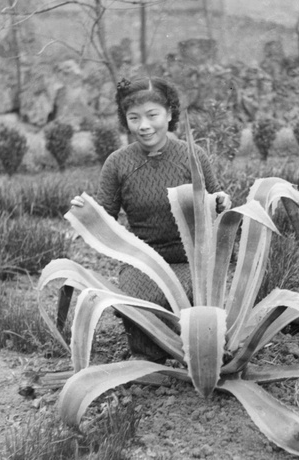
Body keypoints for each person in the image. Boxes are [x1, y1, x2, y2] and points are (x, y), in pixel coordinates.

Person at [69, 76, 228, 363]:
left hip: (190, 259)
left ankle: (199, 354)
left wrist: (222, 202)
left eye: (152, 115)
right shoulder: (117, 163)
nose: (143, 126)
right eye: (134, 118)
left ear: (169, 114)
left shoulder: (192, 156)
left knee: (191, 304)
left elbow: (216, 199)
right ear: (125, 120)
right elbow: (106, 216)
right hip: (142, 260)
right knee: (134, 300)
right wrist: (86, 211)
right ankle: (148, 361)